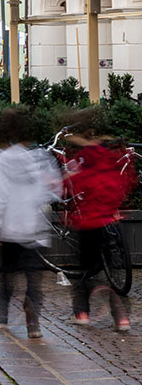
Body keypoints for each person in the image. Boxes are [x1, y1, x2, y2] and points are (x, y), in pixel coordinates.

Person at [0, 108, 62, 338]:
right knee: (33, 278)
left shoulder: (1, 161)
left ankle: (3, 316)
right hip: (32, 228)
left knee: (7, 273)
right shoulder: (37, 159)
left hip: (9, 228)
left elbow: (0, 197)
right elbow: (47, 191)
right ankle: (33, 322)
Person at [63, 109, 137, 331]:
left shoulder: (82, 158)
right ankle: (121, 317)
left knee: (87, 269)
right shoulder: (107, 155)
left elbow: (71, 185)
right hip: (110, 217)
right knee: (108, 268)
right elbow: (127, 178)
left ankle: (82, 312)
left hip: (89, 220)